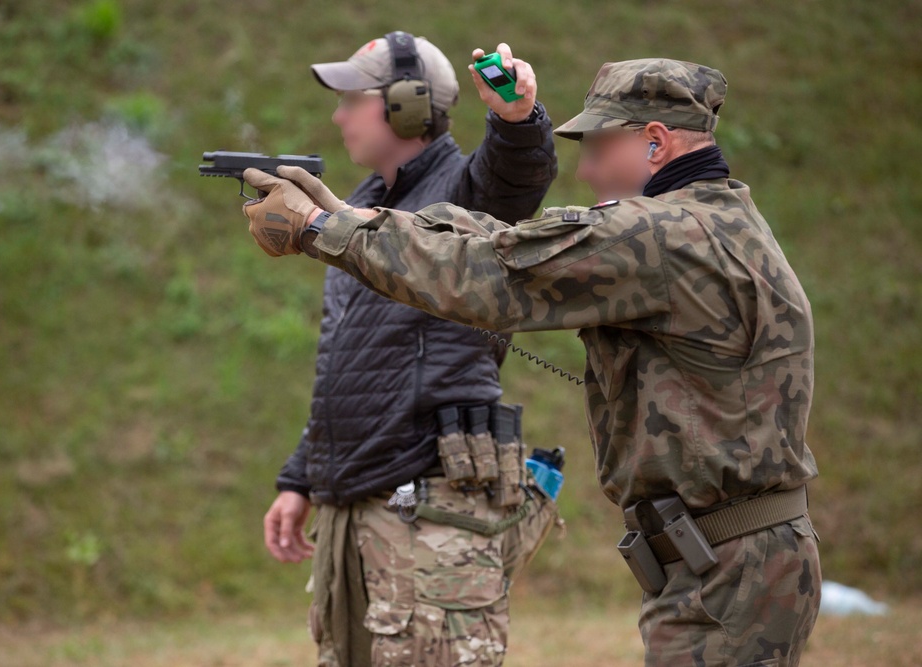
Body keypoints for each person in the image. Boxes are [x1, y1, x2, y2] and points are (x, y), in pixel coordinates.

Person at [244, 58, 822, 666]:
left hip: (725, 563)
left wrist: (318, 230)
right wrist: (358, 221)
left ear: (655, 142)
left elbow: (491, 275)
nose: (587, 169)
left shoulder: (661, 235)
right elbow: (501, 243)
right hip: (734, 555)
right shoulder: (717, 220)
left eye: (600, 147)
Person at [260, 32, 558, 667]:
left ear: (407, 106)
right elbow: (352, 361)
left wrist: (514, 115)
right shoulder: (357, 209)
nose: (339, 115)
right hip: (357, 505)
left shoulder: (466, 192)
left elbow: (515, 172)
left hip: (425, 504)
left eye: (353, 99)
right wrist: (300, 476)